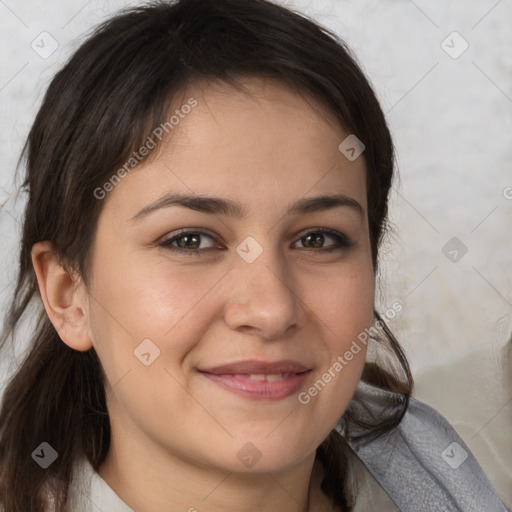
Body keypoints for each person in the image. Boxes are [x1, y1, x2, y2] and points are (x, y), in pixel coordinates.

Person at [0, 0, 508, 510]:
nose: (271, 309)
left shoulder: (466, 463)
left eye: (318, 239)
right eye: (190, 240)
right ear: (68, 296)